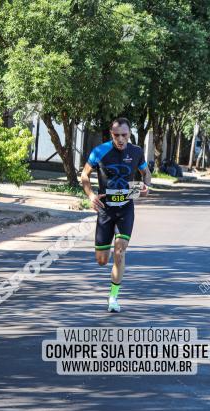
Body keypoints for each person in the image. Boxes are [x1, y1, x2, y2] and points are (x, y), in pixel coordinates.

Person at [80, 117, 151, 313]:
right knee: (102, 260)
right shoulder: (99, 151)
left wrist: (146, 187)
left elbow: (146, 174)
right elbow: (84, 175)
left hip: (126, 208)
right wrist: (91, 194)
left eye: (124, 135)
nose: (120, 139)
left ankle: (113, 298)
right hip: (105, 209)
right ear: (111, 134)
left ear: (130, 134)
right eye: (116, 135)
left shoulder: (136, 152)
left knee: (120, 252)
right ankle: (107, 252)